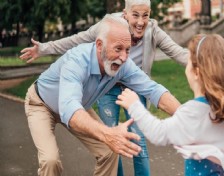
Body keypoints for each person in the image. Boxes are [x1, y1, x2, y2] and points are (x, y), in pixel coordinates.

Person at [20, 0, 188, 175]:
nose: (123, 58)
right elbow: (69, 108)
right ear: (99, 45)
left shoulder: (124, 64)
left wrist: (186, 116)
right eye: (118, 49)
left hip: (79, 106)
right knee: (50, 160)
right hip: (42, 104)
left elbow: (154, 90)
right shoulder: (77, 61)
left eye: (128, 50)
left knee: (109, 152)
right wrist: (108, 134)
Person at [116, 34, 224, 176]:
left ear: (196, 72)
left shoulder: (193, 112)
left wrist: (134, 105)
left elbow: (158, 133)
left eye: (188, 62)